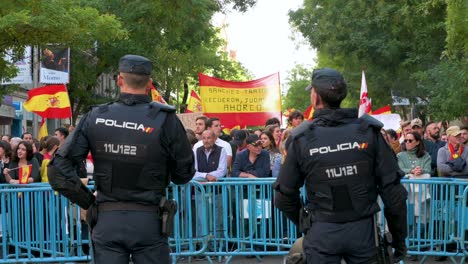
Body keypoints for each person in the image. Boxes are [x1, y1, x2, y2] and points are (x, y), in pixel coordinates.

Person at [48, 54, 195, 264]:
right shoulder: (166, 119)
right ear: (150, 84)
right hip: (149, 221)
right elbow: (184, 174)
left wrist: (89, 202)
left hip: (108, 218)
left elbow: (57, 170)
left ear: (119, 79)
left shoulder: (96, 116)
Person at [274, 68, 407, 263]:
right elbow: (394, 194)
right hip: (363, 232)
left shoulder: (302, 138)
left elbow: (283, 196)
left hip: (322, 232)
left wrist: (307, 224)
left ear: (316, 97)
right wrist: (398, 240)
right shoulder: (368, 131)